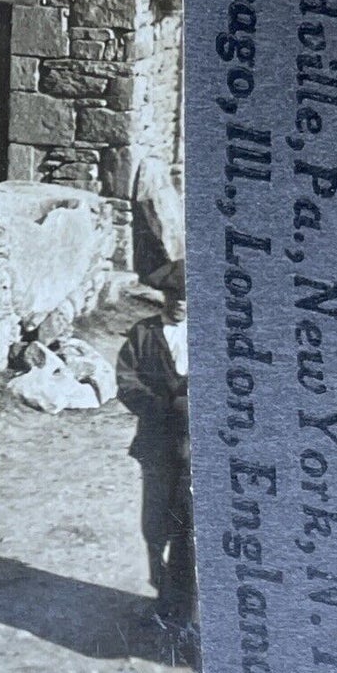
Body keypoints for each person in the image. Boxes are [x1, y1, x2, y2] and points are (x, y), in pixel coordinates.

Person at [116, 258, 193, 626]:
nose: (179, 302)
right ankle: (159, 586)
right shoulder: (144, 333)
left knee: (190, 524)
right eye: (173, 295)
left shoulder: (212, 337)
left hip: (198, 448)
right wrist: (160, 407)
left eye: (187, 296)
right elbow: (127, 382)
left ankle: (185, 605)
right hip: (158, 441)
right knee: (155, 518)